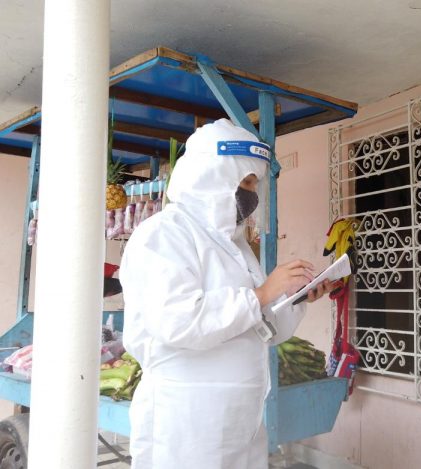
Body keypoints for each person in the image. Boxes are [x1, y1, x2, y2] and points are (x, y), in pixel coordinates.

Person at [120, 118, 332, 469]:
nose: (251, 192)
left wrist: (296, 298)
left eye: (254, 183)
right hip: (187, 422)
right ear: (212, 176)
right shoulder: (163, 235)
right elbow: (179, 321)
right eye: (245, 181)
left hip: (241, 421)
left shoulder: (235, 247)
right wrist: (262, 293)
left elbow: (265, 330)